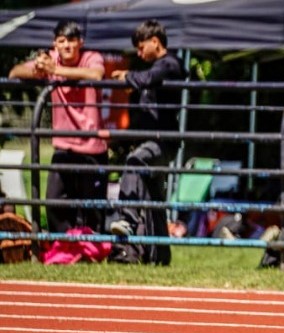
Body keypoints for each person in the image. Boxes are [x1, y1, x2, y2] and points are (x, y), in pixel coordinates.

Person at [8, 20, 108, 234]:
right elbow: (14, 72)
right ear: (55, 44)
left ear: (81, 42)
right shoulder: (50, 60)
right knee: (54, 202)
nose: (67, 46)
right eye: (61, 41)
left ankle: (95, 250)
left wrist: (55, 69)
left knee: (93, 208)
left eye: (72, 40)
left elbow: (96, 75)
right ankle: (63, 246)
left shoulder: (91, 57)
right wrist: (38, 68)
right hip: (63, 146)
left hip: (92, 147)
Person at [105, 19, 185, 265]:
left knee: (134, 160)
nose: (139, 53)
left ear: (155, 41)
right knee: (153, 198)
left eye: (141, 48)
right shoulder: (155, 68)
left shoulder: (170, 63)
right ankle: (161, 255)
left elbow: (149, 77)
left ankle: (127, 219)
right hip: (153, 140)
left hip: (162, 142)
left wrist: (129, 77)